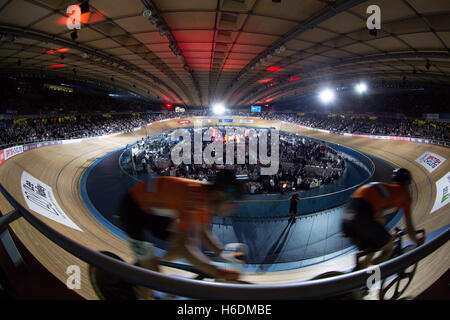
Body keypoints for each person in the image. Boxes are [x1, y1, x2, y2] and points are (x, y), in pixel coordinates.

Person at [118, 169, 245, 299]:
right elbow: (183, 248)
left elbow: (203, 233)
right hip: (132, 209)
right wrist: (217, 272)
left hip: (154, 210)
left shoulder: (206, 195)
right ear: (218, 195)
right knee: (153, 275)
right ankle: (143, 294)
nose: (234, 208)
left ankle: (154, 261)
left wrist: (222, 253)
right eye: (233, 203)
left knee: (189, 241)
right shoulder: (194, 198)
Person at [341, 168, 424, 270]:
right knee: (389, 247)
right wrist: (417, 241)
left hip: (347, 216)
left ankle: (358, 280)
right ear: (407, 183)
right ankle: (372, 275)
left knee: (372, 248)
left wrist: (386, 235)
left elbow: (379, 224)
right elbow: (410, 228)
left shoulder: (386, 193)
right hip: (362, 215)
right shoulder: (404, 195)